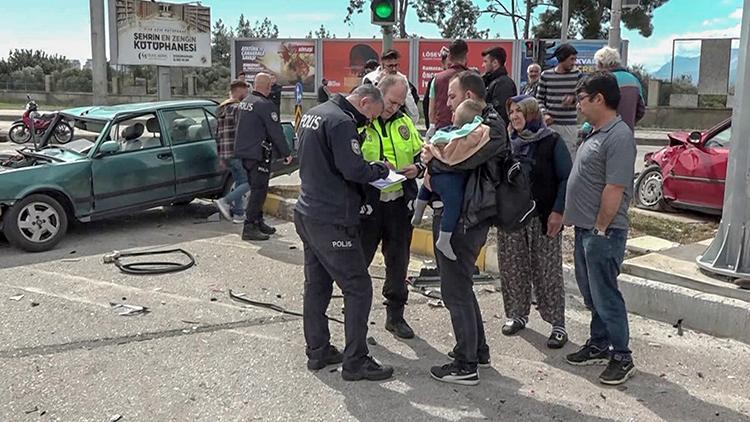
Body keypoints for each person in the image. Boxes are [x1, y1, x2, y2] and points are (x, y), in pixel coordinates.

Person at [295, 84, 394, 381]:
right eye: (372, 116)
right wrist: (380, 170)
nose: (370, 123)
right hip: (332, 218)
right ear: (364, 102)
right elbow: (353, 169)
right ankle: (355, 361)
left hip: (308, 212)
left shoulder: (315, 113)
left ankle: (318, 350)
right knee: (358, 288)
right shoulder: (341, 122)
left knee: (317, 285)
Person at [426, 71, 509, 386]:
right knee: (461, 285)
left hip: (465, 218)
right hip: (467, 215)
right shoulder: (482, 124)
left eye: (451, 96)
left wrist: (432, 159)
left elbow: (453, 162)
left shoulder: (488, 128)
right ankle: (477, 351)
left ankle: (466, 365)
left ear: (470, 97)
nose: (447, 102)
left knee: (454, 290)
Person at [564, 71, 637, 386]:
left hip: (603, 232)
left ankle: (622, 355)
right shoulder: (594, 131)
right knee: (591, 293)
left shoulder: (619, 136)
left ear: (599, 99)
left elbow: (615, 188)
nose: (579, 106)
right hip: (585, 230)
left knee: (605, 294)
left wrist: (600, 228)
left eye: (582, 99)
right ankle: (598, 343)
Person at [495, 95, 572, 349]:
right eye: (512, 111)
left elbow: (565, 178)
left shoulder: (551, 141)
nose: (515, 116)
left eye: (520, 111)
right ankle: (517, 314)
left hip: (543, 216)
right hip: (512, 217)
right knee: (512, 267)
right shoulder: (507, 142)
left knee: (547, 270)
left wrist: (558, 212)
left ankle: (557, 324)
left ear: (531, 113)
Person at [360, 75, 424, 340]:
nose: (395, 107)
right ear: (379, 93)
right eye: (391, 101)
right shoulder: (361, 122)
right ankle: (355, 317)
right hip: (368, 205)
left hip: (399, 203)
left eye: (400, 103)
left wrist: (417, 168)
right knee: (358, 262)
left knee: (398, 261)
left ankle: (395, 316)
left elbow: (422, 154)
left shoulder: (404, 121)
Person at [412, 100, 488, 261]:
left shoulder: (443, 131)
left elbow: (429, 145)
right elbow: (478, 141)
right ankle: (444, 239)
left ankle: (418, 213)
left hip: (432, 176)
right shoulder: (467, 134)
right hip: (450, 180)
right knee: (453, 204)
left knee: (426, 185)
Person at [234, 73, 293, 241]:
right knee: (259, 191)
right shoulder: (265, 105)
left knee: (256, 188)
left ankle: (258, 221)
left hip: (244, 153)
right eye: (270, 87)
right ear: (267, 87)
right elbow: (275, 132)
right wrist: (286, 153)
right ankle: (250, 226)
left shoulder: (245, 102)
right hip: (258, 155)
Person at [536, 43, 582, 158]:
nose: (574, 62)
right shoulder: (545, 75)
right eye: (571, 59)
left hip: (569, 125)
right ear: (562, 58)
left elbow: (584, 97)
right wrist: (544, 114)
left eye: (575, 59)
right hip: (550, 125)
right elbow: (539, 99)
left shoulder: (578, 75)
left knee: (568, 157)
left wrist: (573, 100)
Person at [215, 79, 251, 224]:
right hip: (236, 152)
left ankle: (238, 213)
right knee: (249, 182)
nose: (247, 94)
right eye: (245, 91)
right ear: (239, 90)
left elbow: (217, 135)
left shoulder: (221, 109)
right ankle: (225, 201)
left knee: (239, 182)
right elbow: (242, 131)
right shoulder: (238, 108)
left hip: (226, 153)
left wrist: (221, 157)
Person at [594, 46, 646, 131]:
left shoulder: (602, 81)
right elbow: (641, 110)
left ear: (601, 64)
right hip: (627, 132)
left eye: (597, 64)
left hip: (604, 132)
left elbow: (595, 109)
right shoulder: (634, 80)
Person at [363, 49, 420, 123]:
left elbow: (410, 103)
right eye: (390, 66)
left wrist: (412, 121)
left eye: (396, 65)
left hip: (395, 120)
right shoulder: (370, 78)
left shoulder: (402, 79)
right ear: (382, 65)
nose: (394, 69)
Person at [429, 39, 469, 133]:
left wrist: (432, 127)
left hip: (442, 131)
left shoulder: (437, 79)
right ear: (466, 56)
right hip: (466, 131)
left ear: (449, 57)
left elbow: (431, 111)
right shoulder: (473, 79)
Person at [481, 46, 517, 126]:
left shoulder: (503, 84)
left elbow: (501, 115)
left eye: (485, 61)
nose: (483, 65)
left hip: (497, 134)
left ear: (495, 63)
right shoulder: (491, 82)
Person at [423, 47, 450, 130]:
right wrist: (431, 125)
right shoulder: (436, 80)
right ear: (443, 64)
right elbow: (428, 104)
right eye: (449, 65)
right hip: (441, 126)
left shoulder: (463, 77)